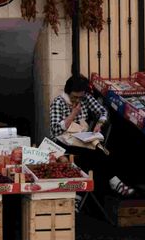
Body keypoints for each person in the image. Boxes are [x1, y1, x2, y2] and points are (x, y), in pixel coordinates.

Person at [49, 75, 134, 210]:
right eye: (74, 97)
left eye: (80, 97)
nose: (77, 100)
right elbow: (55, 130)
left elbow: (102, 111)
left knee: (98, 151)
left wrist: (99, 123)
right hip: (62, 142)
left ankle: (79, 197)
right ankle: (113, 181)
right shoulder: (58, 102)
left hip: (82, 139)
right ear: (67, 92)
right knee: (90, 155)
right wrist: (72, 115)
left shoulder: (86, 98)